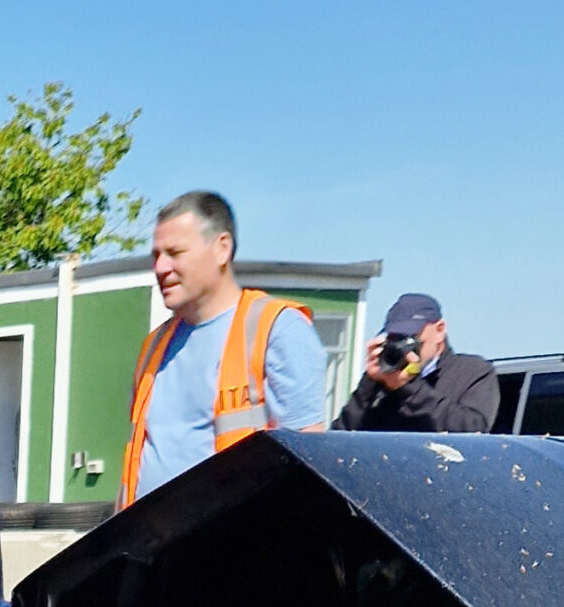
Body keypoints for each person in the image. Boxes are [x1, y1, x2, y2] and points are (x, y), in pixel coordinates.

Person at [119, 191, 327, 504]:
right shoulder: (154, 347)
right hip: (150, 547)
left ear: (222, 249)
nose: (161, 267)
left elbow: (308, 470)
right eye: (156, 255)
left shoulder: (275, 328)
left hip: (235, 545)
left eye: (175, 252)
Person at [333, 293, 498, 433]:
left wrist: (410, 388)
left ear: (439, 330)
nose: (405, 348)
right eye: (395, 338)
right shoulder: (383, 381)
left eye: (411, 337)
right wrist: (368, 384)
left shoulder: (473, 372)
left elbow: (473, 430)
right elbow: (340, 438)